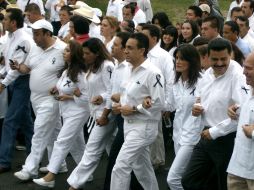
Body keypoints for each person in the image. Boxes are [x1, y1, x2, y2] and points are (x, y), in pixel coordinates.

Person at [181, 38, 249, 190]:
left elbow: (242, 114)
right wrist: (197, 107)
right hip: (205, 135)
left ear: (230, 55)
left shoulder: (238, 76)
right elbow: (200, 96)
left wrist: (215, 132)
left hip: (226, 139)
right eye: (214, 59)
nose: (219, 63)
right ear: (207, 57)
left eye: (223, 59)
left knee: (223, 185)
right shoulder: (208, 73)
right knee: (189, 180)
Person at [13, 19, 67, 180]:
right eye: (34, 34)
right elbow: (27, 68)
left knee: (40, 131)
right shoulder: (35, 49)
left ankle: (30, 169)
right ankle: (59, 164)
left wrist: (60, 85)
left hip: (51, 99)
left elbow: (73, 70)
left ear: (48, 34)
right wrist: (18, 67)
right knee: (52, 133)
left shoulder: (63, 49)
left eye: (37, 34)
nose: (34, 38)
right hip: (35, 98)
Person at [110, 32, 165, 190]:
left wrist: (134, 109)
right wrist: (119, 103)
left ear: (142, 51)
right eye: (125, 47)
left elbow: (159, 102)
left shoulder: (153, 73)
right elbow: (129, 94)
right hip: (129, 125)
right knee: (142, 169)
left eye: (130, 48)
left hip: (144, 127)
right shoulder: (129, 68)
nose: (125, 51)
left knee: (120, 167)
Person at [33, 40, 90, 188]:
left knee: (62, 141)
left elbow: (86, 98)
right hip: (67, 111)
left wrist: (71, 96)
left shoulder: (81, 74)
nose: (64, 52)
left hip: (78, 112)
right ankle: (86, 174)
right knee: (77, 145)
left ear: (75, 54)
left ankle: (51, 175)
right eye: (64, 50)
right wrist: (56, 90)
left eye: (67, 50)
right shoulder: (66, 71)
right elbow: (64, 87)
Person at [67, 38, 115, 190]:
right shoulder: (92, 67)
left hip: (106, 115)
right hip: (96, 114)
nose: (84, 56)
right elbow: (91, 93)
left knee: (91, 150)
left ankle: (74, 184)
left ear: (96, 53)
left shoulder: (107, 66)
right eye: (83, 53)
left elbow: (112, 90)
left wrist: (102, 101)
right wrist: (78, 95)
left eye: (87, 53)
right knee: (113, 150)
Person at [0, 8, 34, 174]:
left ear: (13, 22)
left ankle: (4, 161)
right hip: (15, 81)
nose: (3, 21)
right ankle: (33, 156)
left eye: (6, 19)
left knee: (10, 120)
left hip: (22, 82)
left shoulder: (23, 40)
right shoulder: (11, 37)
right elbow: (9, 64)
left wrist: (3, 84)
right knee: (26, 122)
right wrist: (1, 76)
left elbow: (16, 68)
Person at [167, 44, 203, 190]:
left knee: (172, 179)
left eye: (182, 59)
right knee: (185, 178)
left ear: (192, 61)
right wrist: (146, 102)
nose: (178, 61)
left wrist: (201, 107)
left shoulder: (202, 81)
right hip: (177, 134)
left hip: (193, 136)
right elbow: (169, 105)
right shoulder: (176, 82)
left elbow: (208, 105)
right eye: (176, 58)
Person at [142, 24, 174, 168]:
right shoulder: (142, 53)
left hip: (157, 100)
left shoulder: (163, 56)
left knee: (156, 132)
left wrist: (167, 104)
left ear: (154, 38)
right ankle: (151, 160)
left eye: (145, 36)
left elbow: (170, 81)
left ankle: (157, 161)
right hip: (142, 99)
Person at [226, 52, 254, 190]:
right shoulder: (249, 93)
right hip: (238, 168)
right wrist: (236, 109)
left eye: (249, 68)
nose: (244, 72)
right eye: (244, 67)